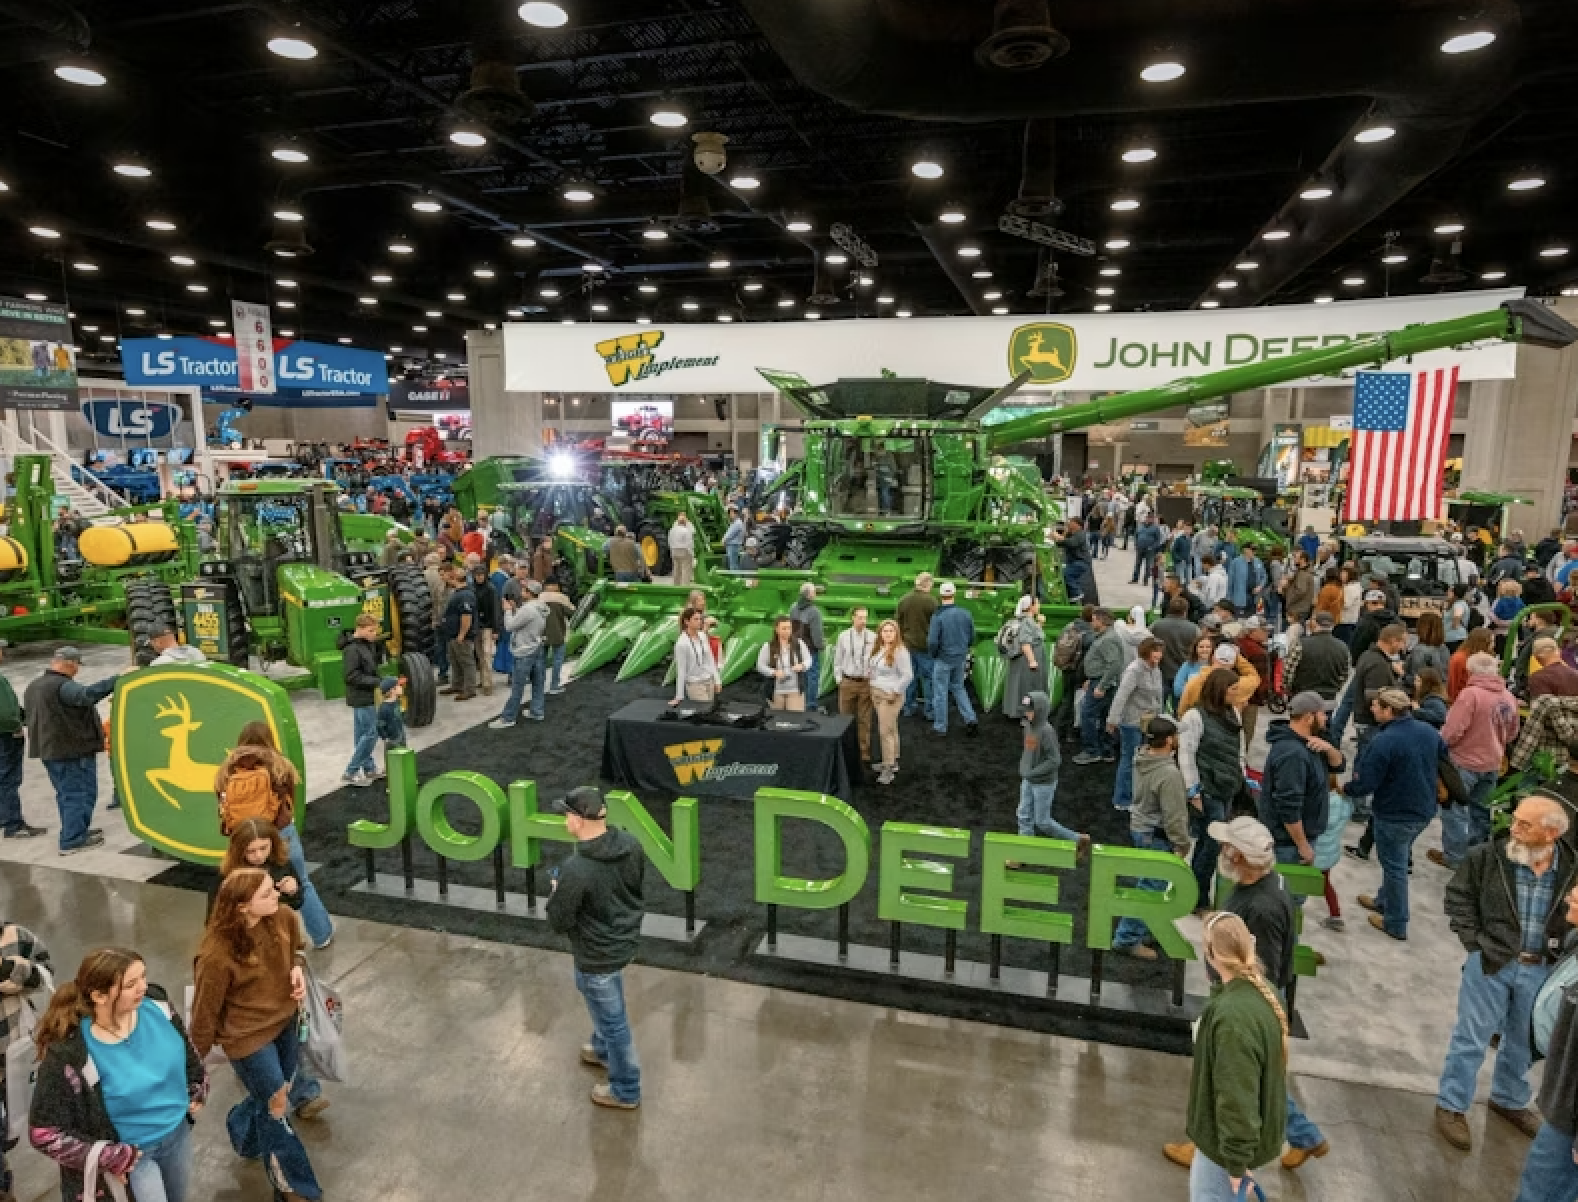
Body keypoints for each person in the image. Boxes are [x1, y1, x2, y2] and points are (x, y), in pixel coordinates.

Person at [1165, 820, 1328, 1176]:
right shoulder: (1264, 885)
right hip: (1245, 995)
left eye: (1226, 846)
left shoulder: (1263, 909)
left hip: (1245, 999)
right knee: (1258, 1077)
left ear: (1238, 855)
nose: (1222, 851)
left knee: (1238, 1075)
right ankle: (1305, 1137)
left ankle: (1208, 1146)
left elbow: (1261, 967)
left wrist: (1232, 1002)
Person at [1435, 797, 1577, 1152]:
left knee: (1523, 1041)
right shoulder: (1487, 857)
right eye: (1515, 821)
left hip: (1542, 969)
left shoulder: (1571, 868)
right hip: (1492, 964)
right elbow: (1457, 897)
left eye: (1524, 825)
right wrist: (1476, 943)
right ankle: (1451, 1105)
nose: (1513, 829)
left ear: (1552, 833)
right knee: (1471, 1038)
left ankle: (1509, 1099)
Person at [29, 947, 208, 1202]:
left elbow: (189, 1056)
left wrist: (197, 1085)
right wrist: (110, 1156)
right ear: (99, 996)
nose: (143, 987)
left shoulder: (159, 1006)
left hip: (177, 1136)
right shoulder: (71, 1054)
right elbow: (43, 1132)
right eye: (131, 984)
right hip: (135, 1157)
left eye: (143, 977)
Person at [189, 869, 320, 1201]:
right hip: (246, 1038)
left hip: (285, 1022)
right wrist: (191, 1069)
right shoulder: (216, 956)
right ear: (241, 907)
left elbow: (298, 950)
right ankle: (295, 1188)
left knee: (275, 1095)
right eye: (265, 894)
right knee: (277, 1105)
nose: (276, 894)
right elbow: (204, 1015)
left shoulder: (285, 918)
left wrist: (297, 968)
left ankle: (242, 1130)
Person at [546, 787, 646, 1110]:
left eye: (566, 813)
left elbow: (559, 920)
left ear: (577, 820)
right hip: (623, 941)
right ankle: (602, 1050)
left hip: (595, 954)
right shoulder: (631, 846)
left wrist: (558, 892)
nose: (564, 818)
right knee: (608, 1002)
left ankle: (626, 1089)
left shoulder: (576, 870)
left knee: (614, 1020)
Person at [1182, 911, 1289, 1200]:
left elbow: (1236, 1096)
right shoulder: (1264, 993)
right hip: (1241, 1146)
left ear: (1211, 955)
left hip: (1221, 1152)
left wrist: (1236, 1165)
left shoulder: (1231, 1019)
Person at [216, 725, 333, 950]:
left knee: (251, 891)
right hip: (279, 833)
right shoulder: (279, 765)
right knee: (299, 883)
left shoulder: (226, 770)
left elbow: (222, 806)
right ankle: (321, 934)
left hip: (245, 837)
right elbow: (290, 799)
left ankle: (263, 943)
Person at [1347, 687, 1450, 940]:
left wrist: (1345, 789)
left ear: (1389, 711)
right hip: (1424, 810)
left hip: (1395, 812)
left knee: (1395, 867)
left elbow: (1366, 783)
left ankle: (1396, 922)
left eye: (1376, 706)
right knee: (1397, 860)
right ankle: (1384, 900)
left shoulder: (1384, 741)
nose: (1371, 709)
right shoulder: (1428, 732)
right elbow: (1444, 759)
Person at [1434, 651, 1522, 874]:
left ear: (1472, 671)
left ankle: (1455, 857)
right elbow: (1513, 733)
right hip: (1492, 762)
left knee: (1453, 809)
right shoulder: (1509, 697)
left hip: (1464, 761)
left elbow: (1453, 730)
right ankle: (1475, 855)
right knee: (1481, 812)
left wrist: (1439, 746)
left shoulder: (1470, 695)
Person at [24, 647, 117, 855]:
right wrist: (116, 681)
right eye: (77, 666)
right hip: (71, 751)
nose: (77, 671)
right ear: (71, 663)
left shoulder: (34, 686)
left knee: (67, 794)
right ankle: (73, 840)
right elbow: (86, 695)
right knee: (79, 794)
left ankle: (77, 831)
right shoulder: (63, 686)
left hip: (50, 751)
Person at [1113, 716, 1189, 961]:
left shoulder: (1141, 757)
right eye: (1175, 735)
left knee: (1148, 883)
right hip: (1157, 835)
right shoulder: (1169, 774)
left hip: (1140, 827)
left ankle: (1147, 928)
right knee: (1150, 888)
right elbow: (1174, 815)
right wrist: (1182, 844)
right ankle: (1126, 938)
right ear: (1168, 740)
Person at [1179, 668, 1247, 911]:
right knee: (1211, 845)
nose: (1237, 693)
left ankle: (1196, 892)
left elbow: (1239, 750)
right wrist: (1192, 791)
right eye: (1233, 689)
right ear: (1219, 690)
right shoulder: (1194, 717)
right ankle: (1197, 897)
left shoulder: (1234, 714)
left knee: (1212, 844)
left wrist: (1242, 777)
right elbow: (1185, 755)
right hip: (1207, 789)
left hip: (1228, 787)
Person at [1259, 692, 1345, 872]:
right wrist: (1303, 846)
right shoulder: (1293, 755)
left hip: (1299, 838)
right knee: (1291, 896)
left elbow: (1339, 765)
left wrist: (1329, 749)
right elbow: (1289, 806)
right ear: (1308, 718)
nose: (1326, 718)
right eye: (1322, 714)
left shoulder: (1313, 741)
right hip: (1288, 844)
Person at [0, 918, 49, 1199]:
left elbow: (44, 975)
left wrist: (9, 969)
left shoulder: (14, 936)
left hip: (13, 1061)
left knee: (10, 1131)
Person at [1016, 689, 1090, 852]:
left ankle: (1078, 840)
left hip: (1043, 783)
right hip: (1029, 778)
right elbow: (1028, 750)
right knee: (1023, 815)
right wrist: (1025, 768)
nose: (1026, 713)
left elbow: (1055, 760)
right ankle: (1024, 853)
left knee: (1043, 822)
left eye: (1030, 710)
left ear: (1040, 711)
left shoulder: (1046, 732)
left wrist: (1030, 772)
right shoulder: (1028, 726)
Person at [1108, 637, 1165, 812]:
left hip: (1150, 722)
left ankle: (1138, 797)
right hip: (1132, 723)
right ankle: (1122, 799)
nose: (1159, 654)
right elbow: (1121, 696)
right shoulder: (1134, 670)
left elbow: (1158, 695)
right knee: (1129, 760)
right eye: (1155, 650)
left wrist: (1160, 716)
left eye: (1160, 651)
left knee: (1143, 761)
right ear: (1146, 651)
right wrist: (1113, 719)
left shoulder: (1156, 669)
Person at [337, 611, 386, 785]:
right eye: (372, 631)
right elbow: (350, 676)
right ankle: (350, 772)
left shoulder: (365, 645)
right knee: (371, 734)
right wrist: (377, 682)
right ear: (361, 629)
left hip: (366, 696)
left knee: (361, 735)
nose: (375, 634)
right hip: (361, 697)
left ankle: (369, 769)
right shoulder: (352, 650)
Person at [493, 578, 547, 728]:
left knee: (517, 686)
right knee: (538, 683)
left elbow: (510, 626)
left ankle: (508, 718)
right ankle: (537, 711)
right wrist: (516, 610)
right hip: (537, 647)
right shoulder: (541, 607)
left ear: (529, 593)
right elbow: (526, 622)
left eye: (524, 590)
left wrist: (508, 611)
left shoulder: (528, 609)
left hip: (524, 651)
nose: (521, 592)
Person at [1074, 608, 1126, 764]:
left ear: (1102, 621)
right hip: (1099, 681)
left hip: (1102, 684)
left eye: (1094, 619)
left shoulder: (1108, 639)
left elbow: (1114, 665)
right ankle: (1106, 750)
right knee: (1104, 716)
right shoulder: (1105, 637)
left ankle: (1092, 751)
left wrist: (1101, 686)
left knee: (1087, 714)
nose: (1092, 622)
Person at [927, 581, 978, 737]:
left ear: (940, 596)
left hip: (943, 658)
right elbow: (972, 636)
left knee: (940, 692)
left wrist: (933, 654)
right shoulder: (965, 613)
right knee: (959, 688)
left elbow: (932, 641)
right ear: (954, 594)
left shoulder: (938, 616)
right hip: (960, 657)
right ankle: (970, 718)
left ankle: (940, 726)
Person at [0, 642, 40, 840]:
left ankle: (5, 817)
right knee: (8, 779)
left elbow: (12, 706)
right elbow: (6, 713)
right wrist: (16, 726)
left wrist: (26, 718)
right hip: (5, 736)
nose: (3, 654)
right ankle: (13, 825)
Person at [866, 620, 913, 785]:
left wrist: (896, 691)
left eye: (891, 631)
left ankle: (888, 768)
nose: (887, 634)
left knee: (884, 732)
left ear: (896, 633)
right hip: (876, 693)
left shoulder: (900, 652)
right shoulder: (879, 649)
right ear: (880, 633)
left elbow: (907, 675)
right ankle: (892, 762)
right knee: (891, 728)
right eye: (884, 631)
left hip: (890, 696)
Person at [833, 607, 878, 764]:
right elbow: (837, 659)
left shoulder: (873, 637)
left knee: (865, 719)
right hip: (848, 682)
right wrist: (839, 680)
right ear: (852, 618)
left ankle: (864, 752)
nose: (863, 621)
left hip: (866, 683)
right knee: (845, 717)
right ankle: (845, 749)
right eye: (860, 617)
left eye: (865, 618)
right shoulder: (843, 636)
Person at [1001, 595, 1048, 719]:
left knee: (1020, 686)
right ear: (1030, 607)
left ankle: (1021, 710)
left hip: (1021, 661)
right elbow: (1025, 643)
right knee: (1028, 687)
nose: (1038, 606)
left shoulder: (1023, 620)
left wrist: (1040, 624)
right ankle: (1026, 713)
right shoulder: (1027, 621)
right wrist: (1032, 661)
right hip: (1027, 662)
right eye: (1036, 603)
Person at [1286, 611, 1350, 700]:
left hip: (1302, 695)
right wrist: (1335, 688)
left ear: (1315, 624)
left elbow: (1288, 670)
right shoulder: (1343, 647)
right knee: (1324, 714)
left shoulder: (1301, 644)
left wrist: (1288, 689)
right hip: (1328, 696)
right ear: (1333, 625)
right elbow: (1345, 674)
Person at [439, 561, 479, 701]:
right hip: (452, 634)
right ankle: (457, 684)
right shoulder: (458, 593)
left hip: (460, 635)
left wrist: (462, 634)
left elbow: (466, 617)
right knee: (455, 661)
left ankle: (469, 689)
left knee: (466, 662)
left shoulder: (465, 596)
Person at [758, 616, 812, 712]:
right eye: (784, 628)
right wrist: (774, 672)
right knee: (775, 720)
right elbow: (760, 666)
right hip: (776, 691)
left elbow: (809, 660)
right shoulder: (768, 646)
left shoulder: (799, 644)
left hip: (795, 690)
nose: (787, 631)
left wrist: (802, 665)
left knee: (794, 720)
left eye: (789, 628)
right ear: (776, 629)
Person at [671, 605, 722, 706]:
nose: (699, 621)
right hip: (695, 684)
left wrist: (717, 680)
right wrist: (679, 696)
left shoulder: (703, 636)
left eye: (700, 619)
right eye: (696, 619)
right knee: (704, 711)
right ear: (687, 621)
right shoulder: (682, 643)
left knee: (710, 710)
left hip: (709, 681)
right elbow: (681, 671)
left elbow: (710, 660)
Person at [1152, 596, 1200, 699]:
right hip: (1183, 674)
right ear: (1185, 611)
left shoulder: (1156, 625)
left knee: (1158, 706)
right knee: (1179, 707)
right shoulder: (1194, 629)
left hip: (1161, 672)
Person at [789, 582, 827, 713]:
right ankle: (811, 705)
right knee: (812, 676)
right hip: (810, 650)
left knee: (800, 675)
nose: (816, 594)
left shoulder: (793, 607)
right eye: (814, 592)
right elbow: (817, 635)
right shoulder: (814, 612)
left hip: (796, 648)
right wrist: (822, 646)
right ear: (810, 595)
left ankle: (799, 702)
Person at [1235, 617, 1271, 750]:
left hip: (1233, 695)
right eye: (1264, 630)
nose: (1267, 633)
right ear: (1252, 632)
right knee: (1246, 733)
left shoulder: (1236, 644)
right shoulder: (1258, 652)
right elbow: (1261, 682)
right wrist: (1263, 697)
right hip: (1250, 699)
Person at [540, 578, 573, 695]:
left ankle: (539, 685)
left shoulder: (539, 597)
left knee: (541, 661)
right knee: (557, 660)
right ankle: (554, 686)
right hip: (558, 634)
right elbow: (572, 612)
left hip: (541, 634)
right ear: (556, 586)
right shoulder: (561, 598)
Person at [1448, 626, 1495, 700]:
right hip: (1463, 699)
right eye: (1491, 641)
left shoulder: (1486, 657)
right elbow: (1453, 684)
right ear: (1482, 642)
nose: (1493, 645)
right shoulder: (1459, 659)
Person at [1173, 632, 1216, 706]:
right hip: (1190, 705)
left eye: (1208, 647)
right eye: (1201, 647)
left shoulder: (1216, 666)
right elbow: (1177, 689)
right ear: (1195, 648)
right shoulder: (1187, 665)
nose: (1205, 649)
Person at [1227, 544, 1265, 618]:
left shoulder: (1258, 561)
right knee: (1239, 619)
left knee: (1254, 620)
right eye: (1252, 550)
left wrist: (1260, 586)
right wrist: (1229, 598)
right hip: (1239, 598)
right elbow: (1230, 581)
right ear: (1245, 550)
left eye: (1255, 550)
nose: (1254, 552)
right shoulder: (1235, 562)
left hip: (1256, 598)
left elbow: (1264, 576)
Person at [667, 511, 697, 586]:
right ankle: (684, 587)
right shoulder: (686, 531)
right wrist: (692, 554)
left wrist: (671, 551)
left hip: (674, 551)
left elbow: (669, 540)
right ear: (685, 522)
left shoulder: (672, 530)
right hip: (684, 552)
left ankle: (676, 585)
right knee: (686, 571)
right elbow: (689, 543)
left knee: (676, 570)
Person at [721, 506, 746, 572]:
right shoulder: (736, 523)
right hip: (733, 546)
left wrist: (723, 541)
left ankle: (736, 580)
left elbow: (729, 535)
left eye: (730, 513)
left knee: (733, 565)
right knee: (734, 564)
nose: (729, 515)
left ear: (735, 513)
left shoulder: (737, 523)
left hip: (733, 546)